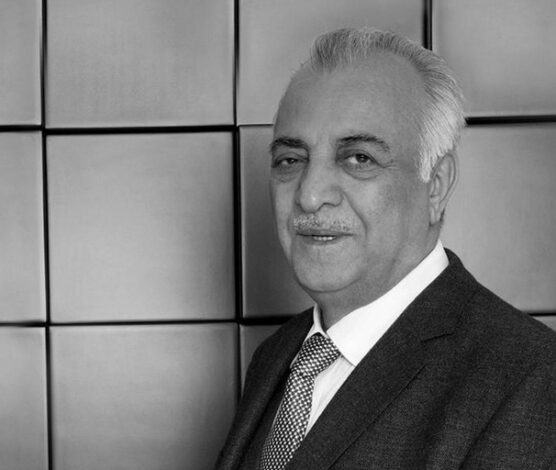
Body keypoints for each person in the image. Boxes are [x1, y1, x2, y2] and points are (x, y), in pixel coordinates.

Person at [216, 28, 556, 469]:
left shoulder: (530, 380)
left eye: (359, 158)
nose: (310, 195)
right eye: (291, 160)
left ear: (436, 185)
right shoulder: (277, 357)